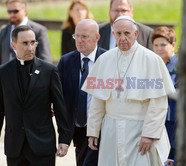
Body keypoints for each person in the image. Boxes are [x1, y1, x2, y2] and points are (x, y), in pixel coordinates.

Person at [82, 16, 175, 166]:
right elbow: (97, 100)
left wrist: (149, 134)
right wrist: (93, 129)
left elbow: (158, 103)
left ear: (136, 34)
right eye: (118, 34)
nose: (122, 38)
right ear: (113, 35)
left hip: (140, 131)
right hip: (111, 130)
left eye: (127, 33)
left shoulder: (152, 60)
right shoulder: (104, 60)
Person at [0, 25, 70, 166]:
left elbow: (60, 107)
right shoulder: (3, 72)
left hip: (42, 146)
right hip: (15, 147)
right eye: (25, 43)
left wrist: (64, 139)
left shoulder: (49, 71)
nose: (30, 47)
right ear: (13, 45)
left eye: (33, 43)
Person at [58, 19, 106, 166]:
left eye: (84, 37)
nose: (79, 40)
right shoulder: (66, 61)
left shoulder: (107, 60)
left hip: (101, 129)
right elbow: (59, 96)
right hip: (78, 128)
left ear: (97, 37)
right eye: (76, 36)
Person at [151, 26, 178, 166]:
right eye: (156, 45)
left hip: (173, 120)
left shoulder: (180, 67)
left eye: (163, 45)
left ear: (173, 45)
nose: (159, 49)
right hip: (155, 120)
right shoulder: (152, 65)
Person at [0, 0, 52, 65]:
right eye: (9, 12)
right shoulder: (4, 30)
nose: (12, 14)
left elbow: (46, 60)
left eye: (15, 11)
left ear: (25, 11)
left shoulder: (39, 30)